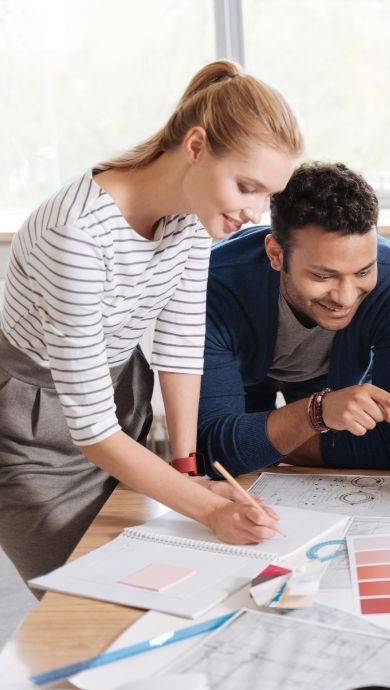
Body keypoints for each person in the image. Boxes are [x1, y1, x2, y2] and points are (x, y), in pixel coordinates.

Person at [0, 60, 300, 587]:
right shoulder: (77, 234)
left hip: (119, 394)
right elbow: (92, 432)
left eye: (267, 197)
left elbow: (181, 345)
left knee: (143, 576)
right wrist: (205, 510)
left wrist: (189, 472)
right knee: (80, 594)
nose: (255, 212)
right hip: (30, 420)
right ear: (196, 147)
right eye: (246, 186)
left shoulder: (192, 216)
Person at [196, 162, 390, 476]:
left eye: (363, 271)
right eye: (324, 276)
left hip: (330, 383)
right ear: (276, 254)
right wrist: (315, 414)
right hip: (243, 376)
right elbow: (211, 451)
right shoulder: (212, 285)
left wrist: (254, 443)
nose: (346, 297)